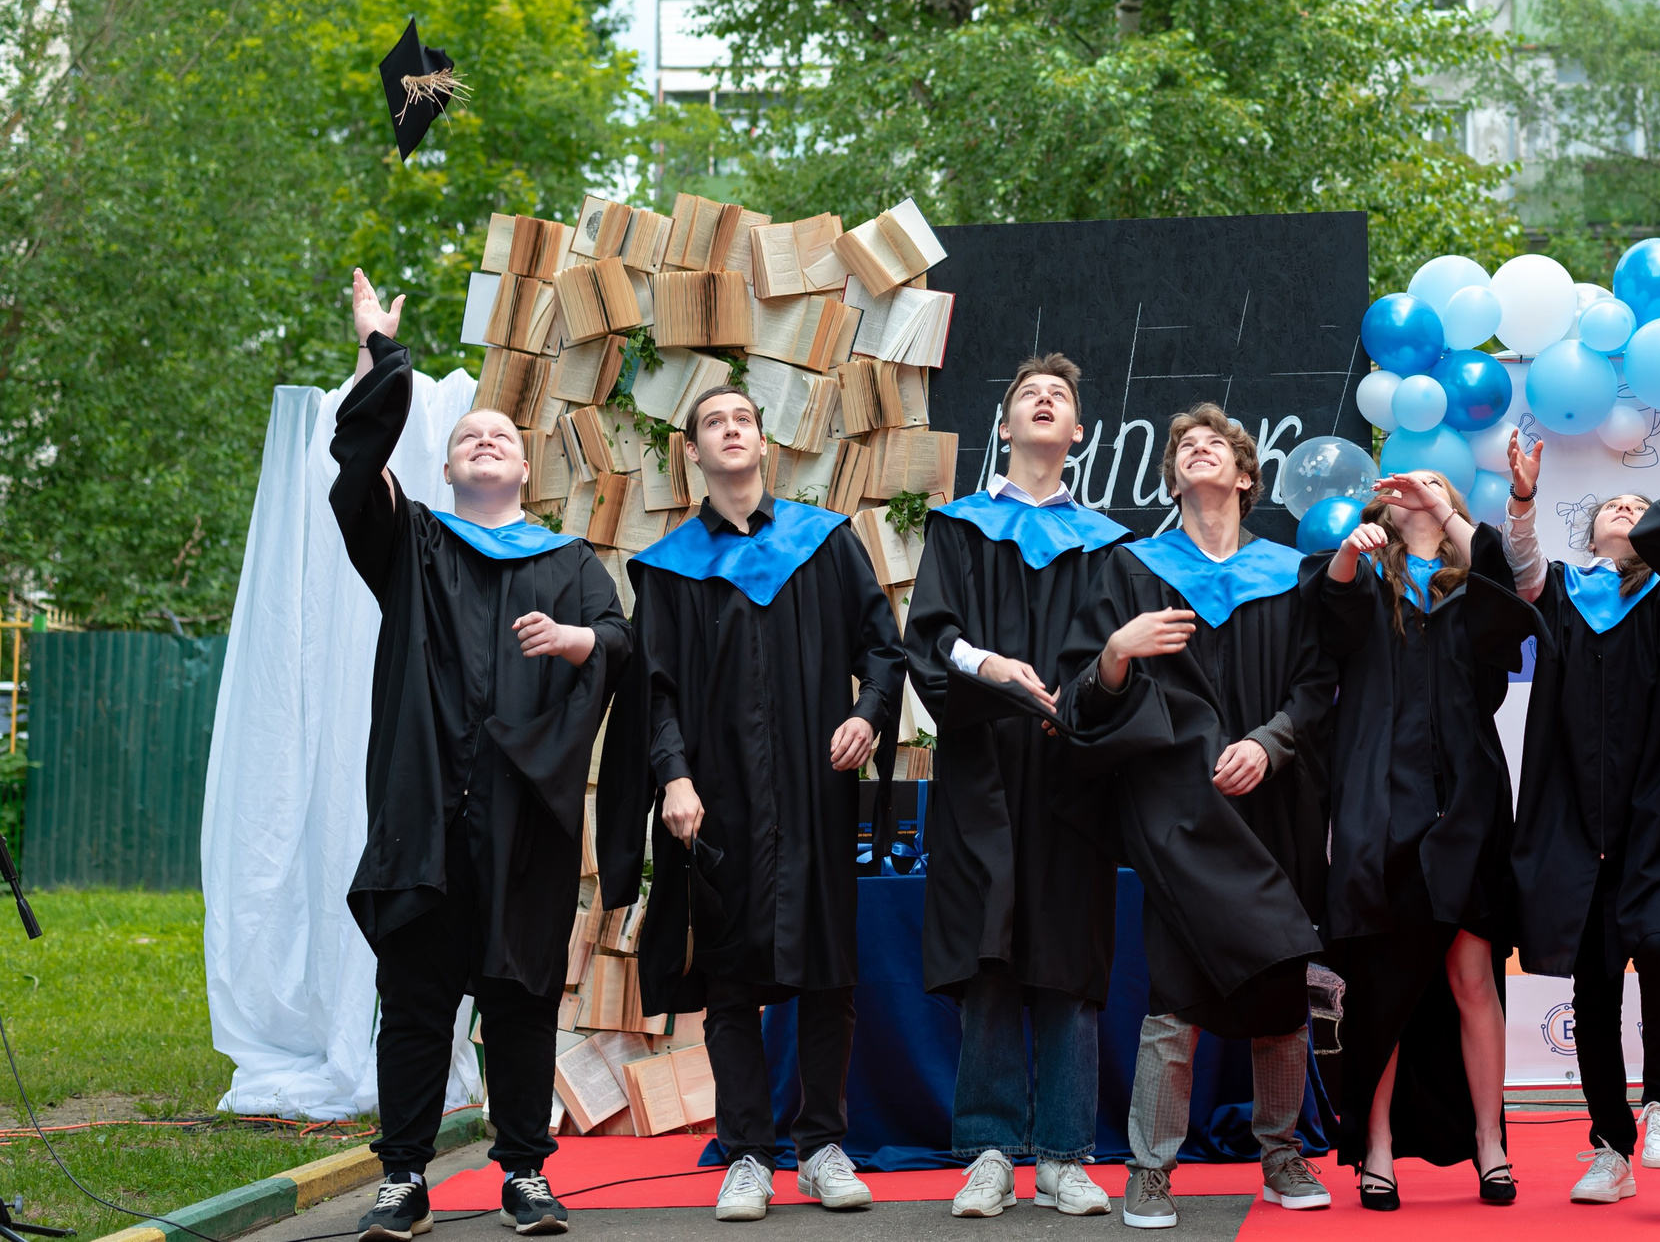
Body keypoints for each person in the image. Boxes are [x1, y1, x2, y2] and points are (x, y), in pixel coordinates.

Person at [328, 269, 627, 1242]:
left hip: (524, 816)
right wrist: (382, 355)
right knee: (415, 999)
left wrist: (588, 643)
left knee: (522, 999)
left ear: (526, 469)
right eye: (467, 436)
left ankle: (525, 1172)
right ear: (449, 470)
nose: (485, 437)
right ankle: (403, 1176)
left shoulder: (570, 562)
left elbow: (626, 647)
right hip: (426, 810)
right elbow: (356, 472)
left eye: (501, 433)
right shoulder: (413, 541)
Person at [595, 386, 909, 1223]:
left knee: (826, 972)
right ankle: (745, 1153)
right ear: (693, 453)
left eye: (743, 419)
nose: (730, 431)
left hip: (814, 793)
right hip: (718, 798)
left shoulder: (824, 544)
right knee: (730, 975)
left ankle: (823, 1146)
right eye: (712, 424)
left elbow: (883, 648)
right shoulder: (670, 569)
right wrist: (674, 776)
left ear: (764, 444)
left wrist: (867, 715)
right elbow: (654, 690)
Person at [1055, 405, 1336, 1230]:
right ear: (1172, 476)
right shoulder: (1132, 571)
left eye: (1215, 444)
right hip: (1174, 812)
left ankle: (1280, 1151)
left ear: (1247, 477)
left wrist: (1272, 744)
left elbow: (1317, 689)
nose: (1198, 450)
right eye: (1184, 446)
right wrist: (1116, 651)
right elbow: (1080, 695)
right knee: (1174, 996)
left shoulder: (1290, 572)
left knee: (1282, 982)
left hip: (1273, 802)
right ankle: (1151, 1167)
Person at [905, 356, 1125, 1220]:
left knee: (1068, 958)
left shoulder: (1107, 542)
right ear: (1004, 426)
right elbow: (932, 634)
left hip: (1069, 768)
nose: (1044, 401)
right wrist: (994, 665)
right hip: (983, 767)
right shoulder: (959, 529)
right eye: (1028, 395)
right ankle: (990, 1151)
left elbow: (1117, 653)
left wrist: (1075, 703)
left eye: (1061, 397)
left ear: (1077, 432)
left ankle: (1067, 1155)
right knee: (989, 956)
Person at [1501, 436, 1660, 1204]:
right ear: (1593, 532)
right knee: (1593, 987)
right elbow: (1523, 570)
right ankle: (1610, 1144)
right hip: (1576, 820)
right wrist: (1525, 498)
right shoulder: (1568, 593)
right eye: (1613, 507)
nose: (1627, 511)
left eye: (1639, 506)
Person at [1315, 471, 1541, 1212]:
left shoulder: (1469, 582)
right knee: (1384, 985)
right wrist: (1350, 550)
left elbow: (1509, 601)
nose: (1418, 487)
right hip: (1381, 802)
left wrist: (1445, 509)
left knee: (1472, 974)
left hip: (1467, 800)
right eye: (1405, 483)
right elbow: (1330, 622)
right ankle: (1375, 1144)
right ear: (1379, 504)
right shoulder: (1366, 575)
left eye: (1437, 481)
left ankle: (1491, 1141)